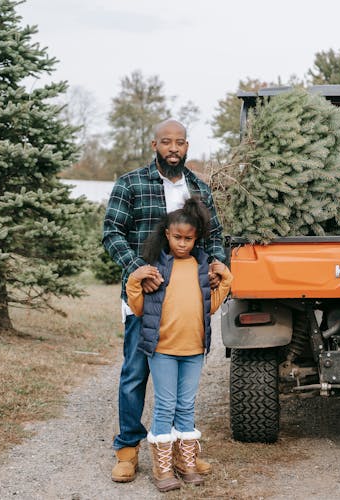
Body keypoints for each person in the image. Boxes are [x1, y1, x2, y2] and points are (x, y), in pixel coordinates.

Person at [102, 119, 226, 483]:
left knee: (181, 383)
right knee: (135, 375)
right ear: (154, 144)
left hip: (187, 303)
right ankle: (127, 449)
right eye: (166, 142)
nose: (174, 148)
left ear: (187, 146)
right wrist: (137, 268)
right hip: (146, 300)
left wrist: (217, 264)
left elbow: (215, 235)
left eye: (180, 143)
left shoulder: (199, 189)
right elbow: (111, 232)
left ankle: (179, 452)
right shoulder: (131, 183)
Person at [125, 201, 233, 491]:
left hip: (194, 350)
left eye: (188, 238)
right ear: (167, 234)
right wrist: (134, 281)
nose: (182, 243)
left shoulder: (202, 266)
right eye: (177, 237)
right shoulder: (156, 267)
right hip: (162, 350)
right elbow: (138, 308)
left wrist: (226, 279)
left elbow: (209, 307)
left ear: (196, 238)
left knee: (186, 405)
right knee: (164, 405)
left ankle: (185, 462)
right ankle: (162, 469)